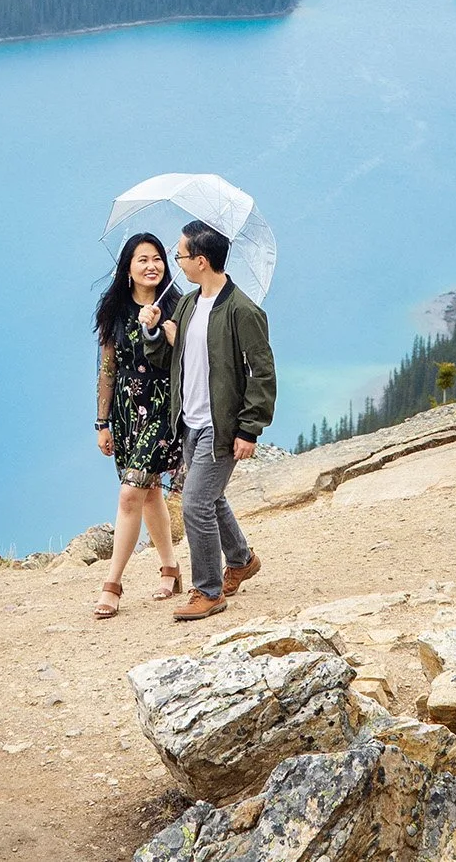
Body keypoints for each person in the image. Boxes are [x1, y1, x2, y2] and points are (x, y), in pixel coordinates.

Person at [166, 218, 275, 621]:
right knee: (212, 498)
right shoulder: (189, 303)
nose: (175, 260)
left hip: (221, 424)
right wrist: (155, 332)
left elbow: (262, 372)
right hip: (190, 421)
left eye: (180, 254)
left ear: (200, 260)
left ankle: (209, 591)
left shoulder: (243, 310)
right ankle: (242, 560)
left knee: (195, 504)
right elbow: (177, 357)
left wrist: (250, 428)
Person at [91, 232, 184, 619]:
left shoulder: (178, 306)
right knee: (148, 494)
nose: (152, 266)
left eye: (158, 258)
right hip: (128, 413)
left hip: (163, 407)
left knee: (130, 494)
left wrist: (162, 328)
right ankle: (171, 569)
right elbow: (108, 368)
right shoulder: (115, 310)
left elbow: (187, 352)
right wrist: (102, 421)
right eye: (143, 259)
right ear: (127, 268)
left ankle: (112, 585)